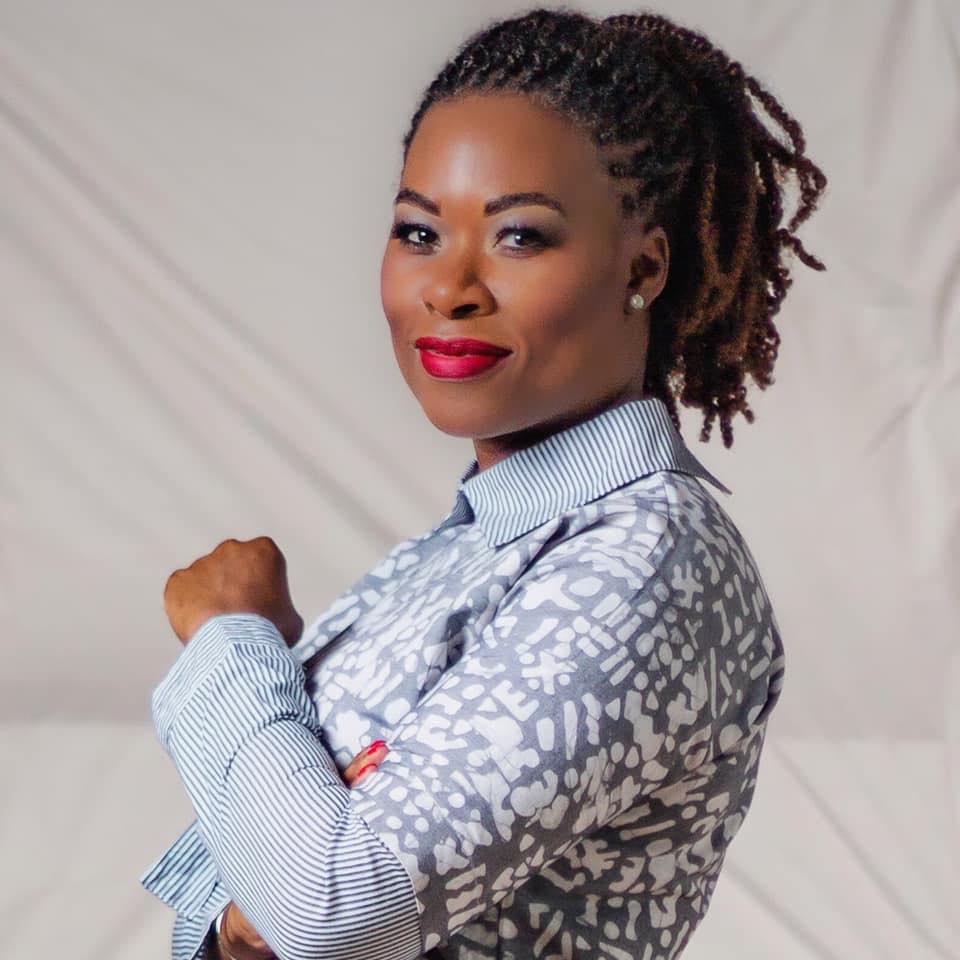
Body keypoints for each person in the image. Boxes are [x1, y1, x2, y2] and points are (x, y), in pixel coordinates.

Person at [140, 7, 827, 959]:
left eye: (520, 237)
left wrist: (231, 635)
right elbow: (271, 908)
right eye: (419, 231)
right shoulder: (471, 548)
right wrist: (239, 916)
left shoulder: (645, 562)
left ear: (644, 265)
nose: (450, 286)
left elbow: (333, 910)